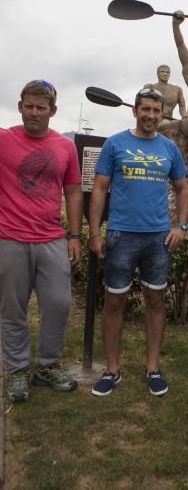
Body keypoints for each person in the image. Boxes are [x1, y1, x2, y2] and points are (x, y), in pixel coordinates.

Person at [89, 88, 188, 397]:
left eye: (155, 111)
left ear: (161, 114)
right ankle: (111, 370)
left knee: (155, 301)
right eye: (144, 109)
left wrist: (181, 225)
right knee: (114, 301)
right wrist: (94, 232)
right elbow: (99, 189)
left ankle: (153, 368)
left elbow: (183, 189)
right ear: (135, 111)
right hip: (120, 235)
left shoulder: (169, 148)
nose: (150, 115)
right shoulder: (115, 143)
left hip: (158, 238)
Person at [0, 80, 83, 403]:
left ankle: (46, 367)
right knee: (12, 309)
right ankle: (18, 370)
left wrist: (75, 235)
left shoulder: (64, 146)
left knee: (58, 304)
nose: (34, 113)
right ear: (20, 106)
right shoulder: (4, 140)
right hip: (9, 238)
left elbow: (73, 191)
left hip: (51, 238)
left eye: (41, 108)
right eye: (29, 106)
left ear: (53, 111)